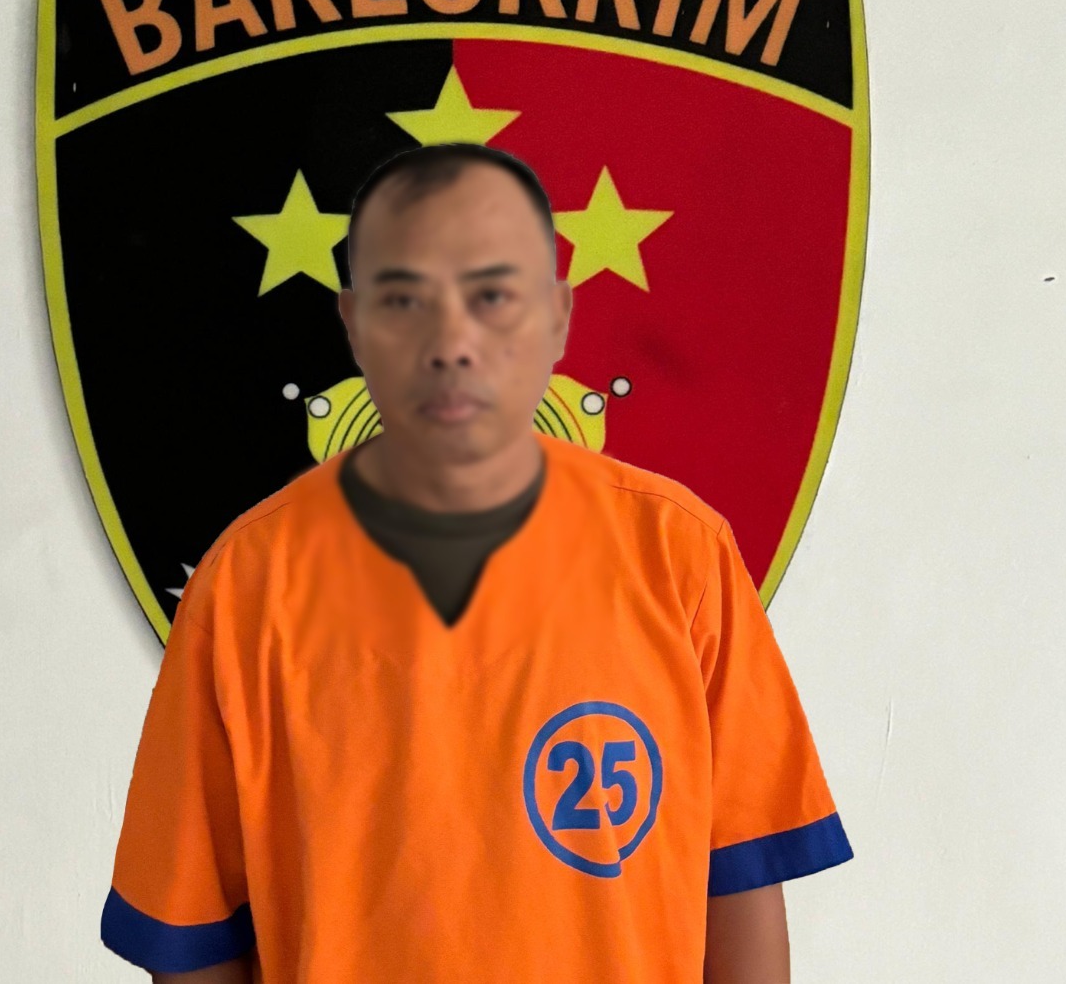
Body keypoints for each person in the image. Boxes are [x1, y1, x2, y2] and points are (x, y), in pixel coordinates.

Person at [100, 143, 853, 982]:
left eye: (493, 296)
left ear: (557, 317)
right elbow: (193, 930)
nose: (451, 343)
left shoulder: (680, 555)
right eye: (404, 300)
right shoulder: (248, 583)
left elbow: (740, 879)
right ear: (353, 324)